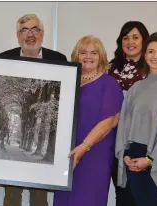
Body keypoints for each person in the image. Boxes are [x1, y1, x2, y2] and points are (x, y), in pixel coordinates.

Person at [1, 14, 67, 206]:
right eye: (25, 30)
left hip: (48, 159)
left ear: (43, 34)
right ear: (17, 35)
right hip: (11, 166)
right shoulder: (5, 59)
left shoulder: (58, 60)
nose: (30, 34)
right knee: (11, 196)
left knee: (40, 198)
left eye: (35, 29)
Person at [53, 35, 123, 206]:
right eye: (83, 52)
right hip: (66, 154)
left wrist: (84, 147)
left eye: (94, 52)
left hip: (94, 154)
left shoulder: (110, 84)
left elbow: (110, 121)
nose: (88, 56)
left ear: (101, 57)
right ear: (76, 55)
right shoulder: (68, 82)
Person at [115, 32, 157, 206]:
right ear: (145, 55)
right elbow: (125, 124)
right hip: (133, 161)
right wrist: (125, 155)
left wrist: (150, 160)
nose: (155, 56)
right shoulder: (136, 88)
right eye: (151, 51)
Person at [108, 21, 149, 206]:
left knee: (139, 193)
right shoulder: (110, 68)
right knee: (121, 192)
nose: (130, 41)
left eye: (135, 37)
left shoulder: (151, 70)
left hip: (140, 140)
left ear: (144, 41)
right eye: (126, 37)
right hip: (113, 139)